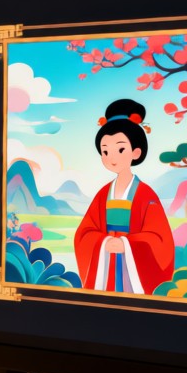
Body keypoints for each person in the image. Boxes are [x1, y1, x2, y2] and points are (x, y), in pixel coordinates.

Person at [74, 99, 174, 294]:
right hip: (106, 259)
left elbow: (159, 238)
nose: (112, 158)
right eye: (105, 151)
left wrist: (126, 245)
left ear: (136, 152)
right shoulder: (103, 194)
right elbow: (85, 232)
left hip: (132, 263)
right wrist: (103, 243)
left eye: (120, 149)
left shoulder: (146, 195)